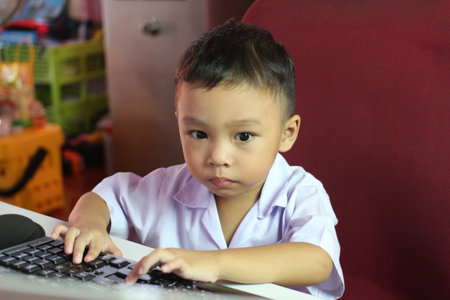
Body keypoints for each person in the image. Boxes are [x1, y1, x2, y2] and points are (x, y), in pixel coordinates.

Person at [52, 20, 344, 299]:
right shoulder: (164, 188)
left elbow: (317, 261)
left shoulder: (300, 192)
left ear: (286, 133)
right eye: (199, 134)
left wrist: (214, 264)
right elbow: (103, 197)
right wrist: (88, 224)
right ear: (179, 122)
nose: (218, 157)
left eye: (243, 136)